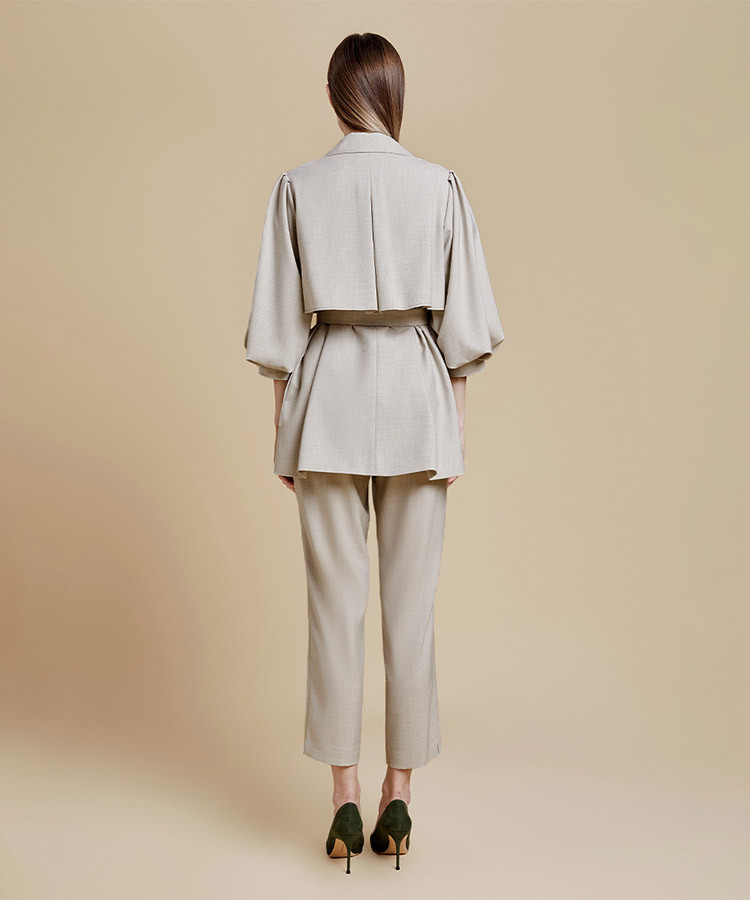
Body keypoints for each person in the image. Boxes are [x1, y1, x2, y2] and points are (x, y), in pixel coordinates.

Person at [243, 32, 505, 873]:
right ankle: (400, 791)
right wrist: (453, 429)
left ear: (334, 96)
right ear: (393, 95)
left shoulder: (297, 187)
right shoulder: (440, 185)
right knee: (411, 605)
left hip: (327, 396)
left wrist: (284, 433)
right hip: (418, 397)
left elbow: (278, 332)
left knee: (334, 605)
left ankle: (344, 798)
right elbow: (463, 330)